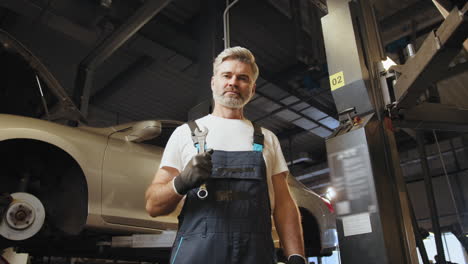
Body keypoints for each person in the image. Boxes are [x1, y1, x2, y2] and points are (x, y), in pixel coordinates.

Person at [145, 46, 306, 264]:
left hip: (255, 254)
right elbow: (153, 206)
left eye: (242, 78)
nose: (233, 82)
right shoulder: (185, 133)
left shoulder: (267, 138)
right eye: (226, 75)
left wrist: (296, 256)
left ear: (252, 88)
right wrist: (181, 182)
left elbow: (285, 204)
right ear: (214, 82)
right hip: (198, 253)